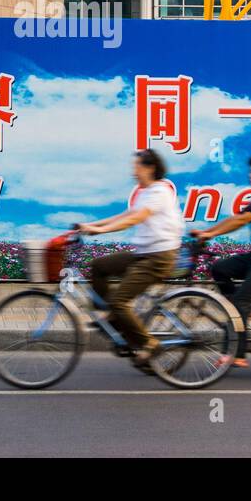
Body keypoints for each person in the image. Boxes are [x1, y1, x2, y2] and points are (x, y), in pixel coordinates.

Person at [76, 149, 184, 369]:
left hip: (159, 258)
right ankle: (115, 319)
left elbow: (136, 218)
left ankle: (149, 343)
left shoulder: (159, 191)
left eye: (136, 168)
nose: (133, 173)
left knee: (119, 301)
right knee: (98, 266)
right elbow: (125, 215)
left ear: (150, 168)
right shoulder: (145, 192)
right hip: (143, 253)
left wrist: (101, 231)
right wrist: (92, 226)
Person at [193, 155, 251, 368]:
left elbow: (242, 221)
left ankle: (238, 354)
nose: (250, 175)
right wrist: (207, 232)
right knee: (219, 268)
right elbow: (236, 217)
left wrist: (209, 235)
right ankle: (239, 304)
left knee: (239, 305)